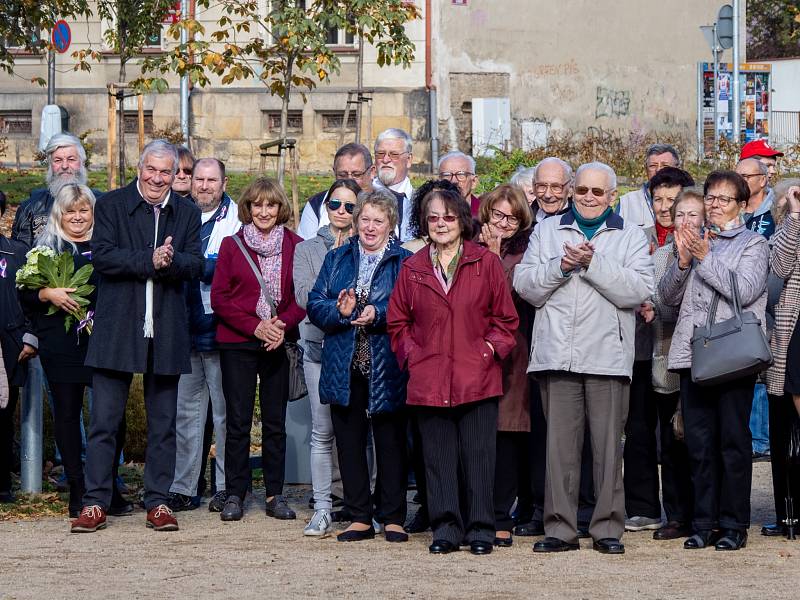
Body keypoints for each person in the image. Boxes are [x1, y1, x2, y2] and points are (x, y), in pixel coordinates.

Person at [514, 161, 654, 555]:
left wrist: (593, 264)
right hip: (556, 354)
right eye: (583, 191)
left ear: (612, 196)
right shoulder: (546, 230)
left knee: (609, 450)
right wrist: (561, 265)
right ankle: (559, 529)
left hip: (607, 355)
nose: (589, 199)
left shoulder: (630, 236)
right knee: (559, 450)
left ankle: (608, 527)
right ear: (572, 191)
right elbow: (524, 283)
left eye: (598, 192)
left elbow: (638, 290)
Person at [70, 140, 204, 534]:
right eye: (153, 170)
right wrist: (149, 259)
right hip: (118, 327)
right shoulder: (110, 205)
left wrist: (171, 260)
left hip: (167, 329)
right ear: (139, 166)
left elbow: (195, 263)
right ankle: (96, 502)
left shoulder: (187, 213)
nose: (159, 179)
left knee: (164, 424)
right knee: (105, 422)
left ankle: (158, 502)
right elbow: (104, 256)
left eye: (167, 172)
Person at [388, 185, 519, 556]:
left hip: (476, 376)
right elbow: (398, 323)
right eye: (433, 218)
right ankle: (445, 527)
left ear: (462, 220)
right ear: (424, 223)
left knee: (478, 457)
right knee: (438, 458)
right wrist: (414, 356)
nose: (441, 224)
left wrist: (487, 351)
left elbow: (505, 320)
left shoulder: (485, 262)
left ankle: (480, 528)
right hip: (428, 380)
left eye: (448, 217)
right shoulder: (412, 268)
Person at [660, 170, 769, 551]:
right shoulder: (694, 239)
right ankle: (703, 522)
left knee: (733, 442)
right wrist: (684, 261)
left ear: (741, 205)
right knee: (698, 443)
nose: (716, 205)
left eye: (725, 199)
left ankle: (733, 523)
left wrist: (706, 260)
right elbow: (668, 299)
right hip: (694, 355)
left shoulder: (754, 244)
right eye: (711, 198)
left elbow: (747, 290)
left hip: (732, 355)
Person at [20, 184, 133, 518]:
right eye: (70, 211)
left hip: (105, 343)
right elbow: (24, 295)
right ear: (60, 215)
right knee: (68, 417)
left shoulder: (107, 246)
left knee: (113, 418)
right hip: (61, 344)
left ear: (93, 213)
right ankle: (78, 488)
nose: (78, 217)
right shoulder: (46, 249)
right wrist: (47, 294)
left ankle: (107, 485)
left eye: (84, 210)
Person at [307, 189, 411, 543]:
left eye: (377, 221)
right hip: (343, 360)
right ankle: (359, 517)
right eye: (364, 219)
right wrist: (342, 312)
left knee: (391, 441)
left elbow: (412, 309)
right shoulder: (337, 258)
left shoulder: (404, 262)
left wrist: (377, 314)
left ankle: (394, 516)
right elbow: (314, 304)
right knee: (348, 441)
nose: (369, 226)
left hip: (387, 362)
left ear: (390, 224)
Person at [210, 177, 304, 522]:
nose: (264, 211)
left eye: (271, 205)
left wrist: (280, 325)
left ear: (281, 209)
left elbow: (303, 296)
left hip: (278, 341)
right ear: (247, 208)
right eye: (257, 205)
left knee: (275, 423)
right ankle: (236, 493)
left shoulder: (297, 244)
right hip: (238, 342)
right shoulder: (232, 246)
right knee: (237, 421)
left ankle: (275, 494)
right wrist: (255, 325)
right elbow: (219, 298)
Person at [623, 167, 694, 533]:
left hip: (674, 347)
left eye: (673, 200)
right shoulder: (635, 238)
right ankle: (641, 506)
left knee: (674, 431)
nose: (665, 207)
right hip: (639, 346)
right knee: (637, 427)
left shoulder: (696, 241)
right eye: (659, 200)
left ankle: (679, 510)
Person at [168, 158, 241, 513]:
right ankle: (184, 487)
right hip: (183, 327)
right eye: (199, 179)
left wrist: (188, 263)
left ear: (223, 183)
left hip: (222, 329)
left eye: (212, 180)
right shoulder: (177, 214)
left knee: (225, 414)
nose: (204, 186)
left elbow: (227, 269)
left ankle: (226, 488)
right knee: (186, 412)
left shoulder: (237, 218)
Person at [293, 178, 358, 537]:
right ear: (326, 207)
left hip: (357, 348)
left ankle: (363, 503)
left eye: (350, 206)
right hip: (318, 347)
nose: (342, 212)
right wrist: (335, 270)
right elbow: (304, 296)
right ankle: (322, 507)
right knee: (322, 432)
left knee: (362, 432)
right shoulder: (306, 250)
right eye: (336, 204)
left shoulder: (367, 246)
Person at [475, 184, 533, 547]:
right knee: (479, 435)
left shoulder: (528, 251)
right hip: (473, 353)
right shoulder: (467, 248)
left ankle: (500, 513)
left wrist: (495, 259)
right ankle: (477, 510)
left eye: (511, 216)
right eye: (497, 214)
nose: (503, 223)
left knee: (508, 432)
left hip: (514, 353)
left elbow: (506, 300)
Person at [647, 189, 704, 541]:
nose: (684, 221)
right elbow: (663, 307)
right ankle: (677, 514)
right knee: (671, 442)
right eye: (679, 214)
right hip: (669, 357)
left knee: (700, 439)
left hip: (709, 359)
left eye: (692, 215)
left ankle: (705, 512)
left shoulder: (715, 251)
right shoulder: (663, 256)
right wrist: (681, 263)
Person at [763, 179, 800, 538]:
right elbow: (777, 274)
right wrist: (795, 218)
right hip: (788, 343)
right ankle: (786, 512)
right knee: (781, 433)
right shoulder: (780, 236)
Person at [736, 158, 774, 461]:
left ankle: (760, 438)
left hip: (768, 299)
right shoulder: (731, 210)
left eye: (746, 175)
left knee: (761, 369)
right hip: (732, 298)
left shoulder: (774, 212)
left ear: (763, 179)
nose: (741, 180)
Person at [0, 194, 37, 504]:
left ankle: (2, 484)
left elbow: (32, 302)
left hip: (8, 345)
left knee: (3, 414)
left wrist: (29, 336)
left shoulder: (16, 254)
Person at [12, 133, 102, 247]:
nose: (64, 166)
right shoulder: (32, 207)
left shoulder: (101, 203)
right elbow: (18, 252)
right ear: (50, 164)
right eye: (58, 160)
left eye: (71, 159)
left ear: (82, 162)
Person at [297, 143, 375, 240]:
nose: (349, 180)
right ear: (334, 172)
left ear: (372, 172)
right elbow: (306, 248)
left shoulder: (388, 204)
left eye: (356, 174)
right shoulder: (316, 205)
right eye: (342, 175)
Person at [616, 143, 680, 229]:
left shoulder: (689, 201)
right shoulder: (627, 203)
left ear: (677, 169)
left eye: (665, 165)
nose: (659, 170)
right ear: (646, 169)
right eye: (653, 166)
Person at [373, 128, 414, 242]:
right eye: (380, 154)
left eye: (394, 155)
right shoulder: (359, 196)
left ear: (409, 160)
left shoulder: (422, 202)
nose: (386, 160)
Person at [736, 158, 774, 240]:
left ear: (763, 180)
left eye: (745, 176)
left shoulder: (777, 210)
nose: (738, 182)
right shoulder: (729, 208)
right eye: (736, 177)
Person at [437, 151, 480, 216]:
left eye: (461, 174)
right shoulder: (429, 215)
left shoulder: (485, 215)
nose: (454, 181)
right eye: (447, 175)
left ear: (474, 182)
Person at [531, 157, 573, 222]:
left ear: (570, 189)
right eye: (542, 186)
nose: (548, 195)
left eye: (556, 187)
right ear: (533, 187)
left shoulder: (580, 223)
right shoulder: (522, 221)